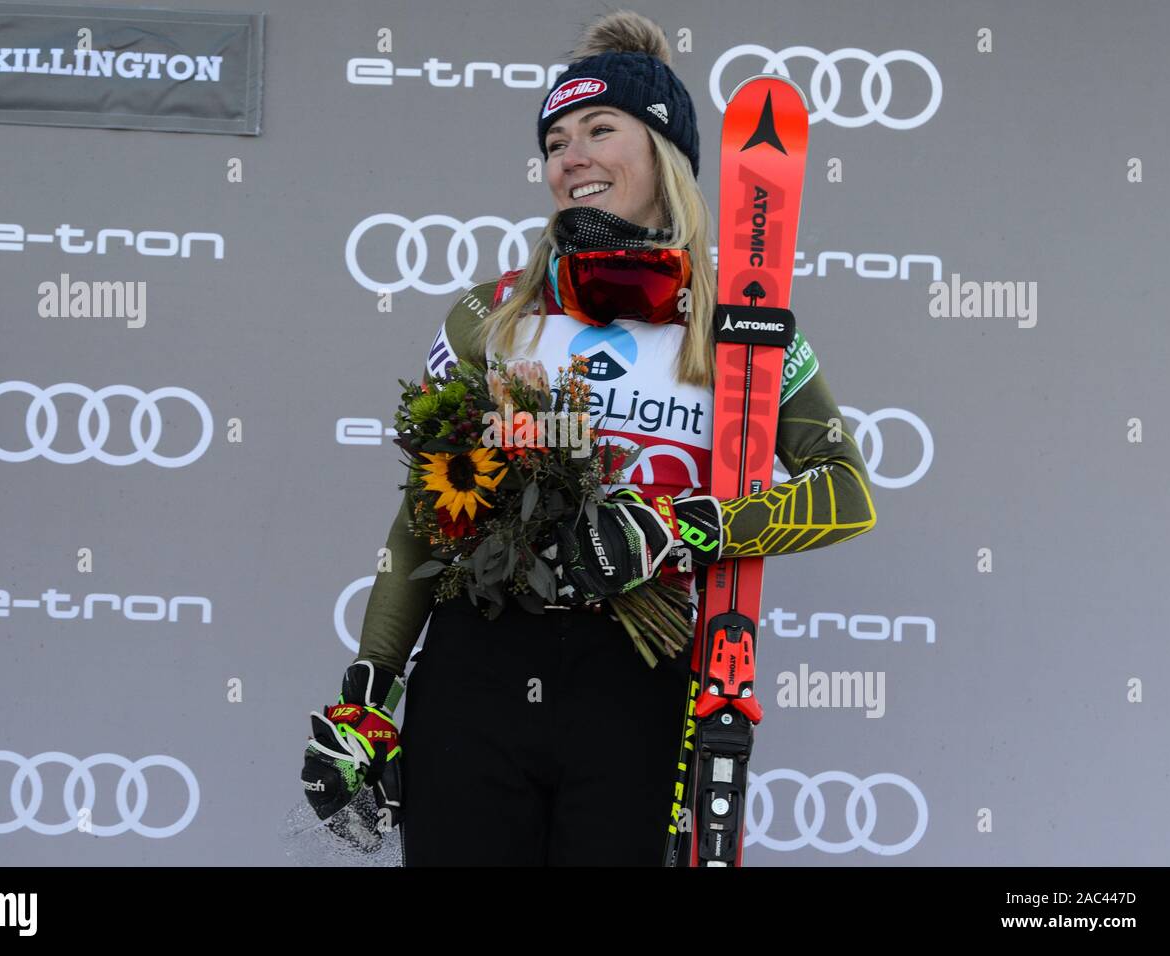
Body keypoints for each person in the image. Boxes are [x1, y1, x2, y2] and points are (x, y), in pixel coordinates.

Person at [302, 9, 878, 866]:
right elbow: (423, 513)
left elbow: (845, 492)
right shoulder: (488, 315)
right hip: (477, 664)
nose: (570, 156)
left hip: (635, 673)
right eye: (555, 140)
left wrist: (679, 526)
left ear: (666, 154)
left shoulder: (742, 335)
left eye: (600, 130)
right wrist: (370, 690)